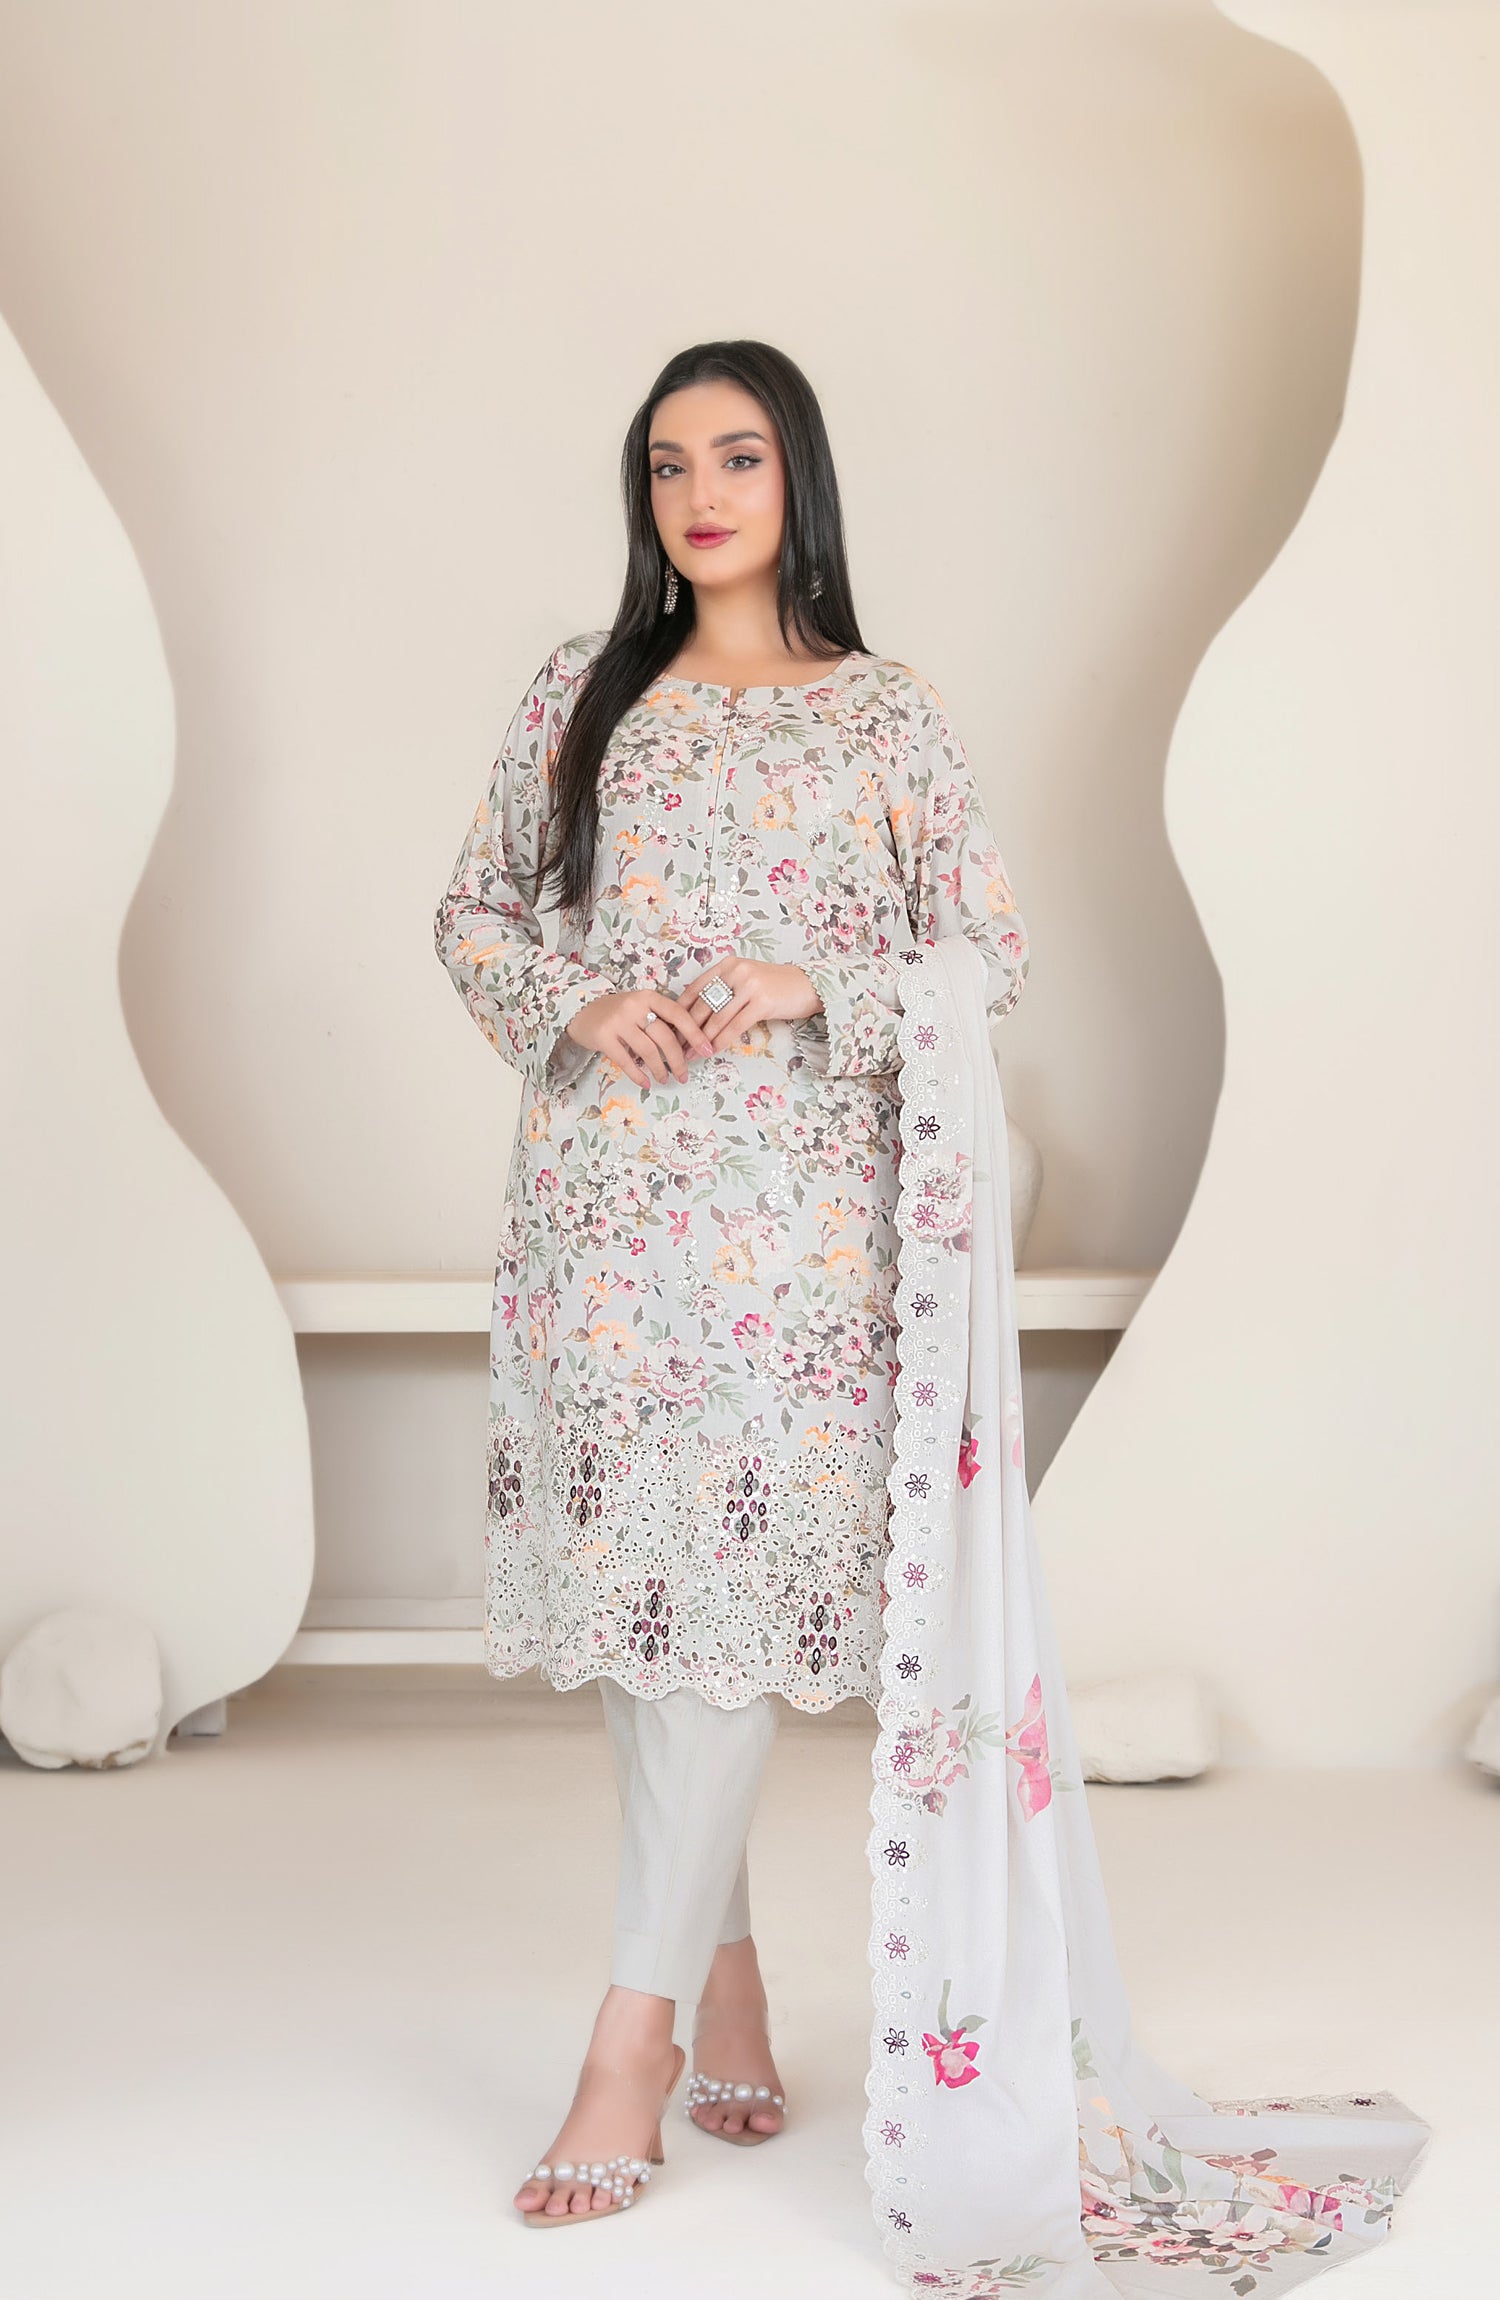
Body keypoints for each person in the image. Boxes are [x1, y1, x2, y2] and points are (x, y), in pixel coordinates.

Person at [433, 338, 1030, 2229]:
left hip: (802, 1241)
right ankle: (733, 1977)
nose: (702, 494)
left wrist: (812, 986)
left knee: (727, 1609)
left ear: (800, 479)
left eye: (741, 456)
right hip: (605, 1222)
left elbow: (992, 952)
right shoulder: (584, 691)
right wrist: (580, 1000)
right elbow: (476, 909)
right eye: (671, 463)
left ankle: (631, 2043)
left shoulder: (886, 716)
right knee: (649, 1612)